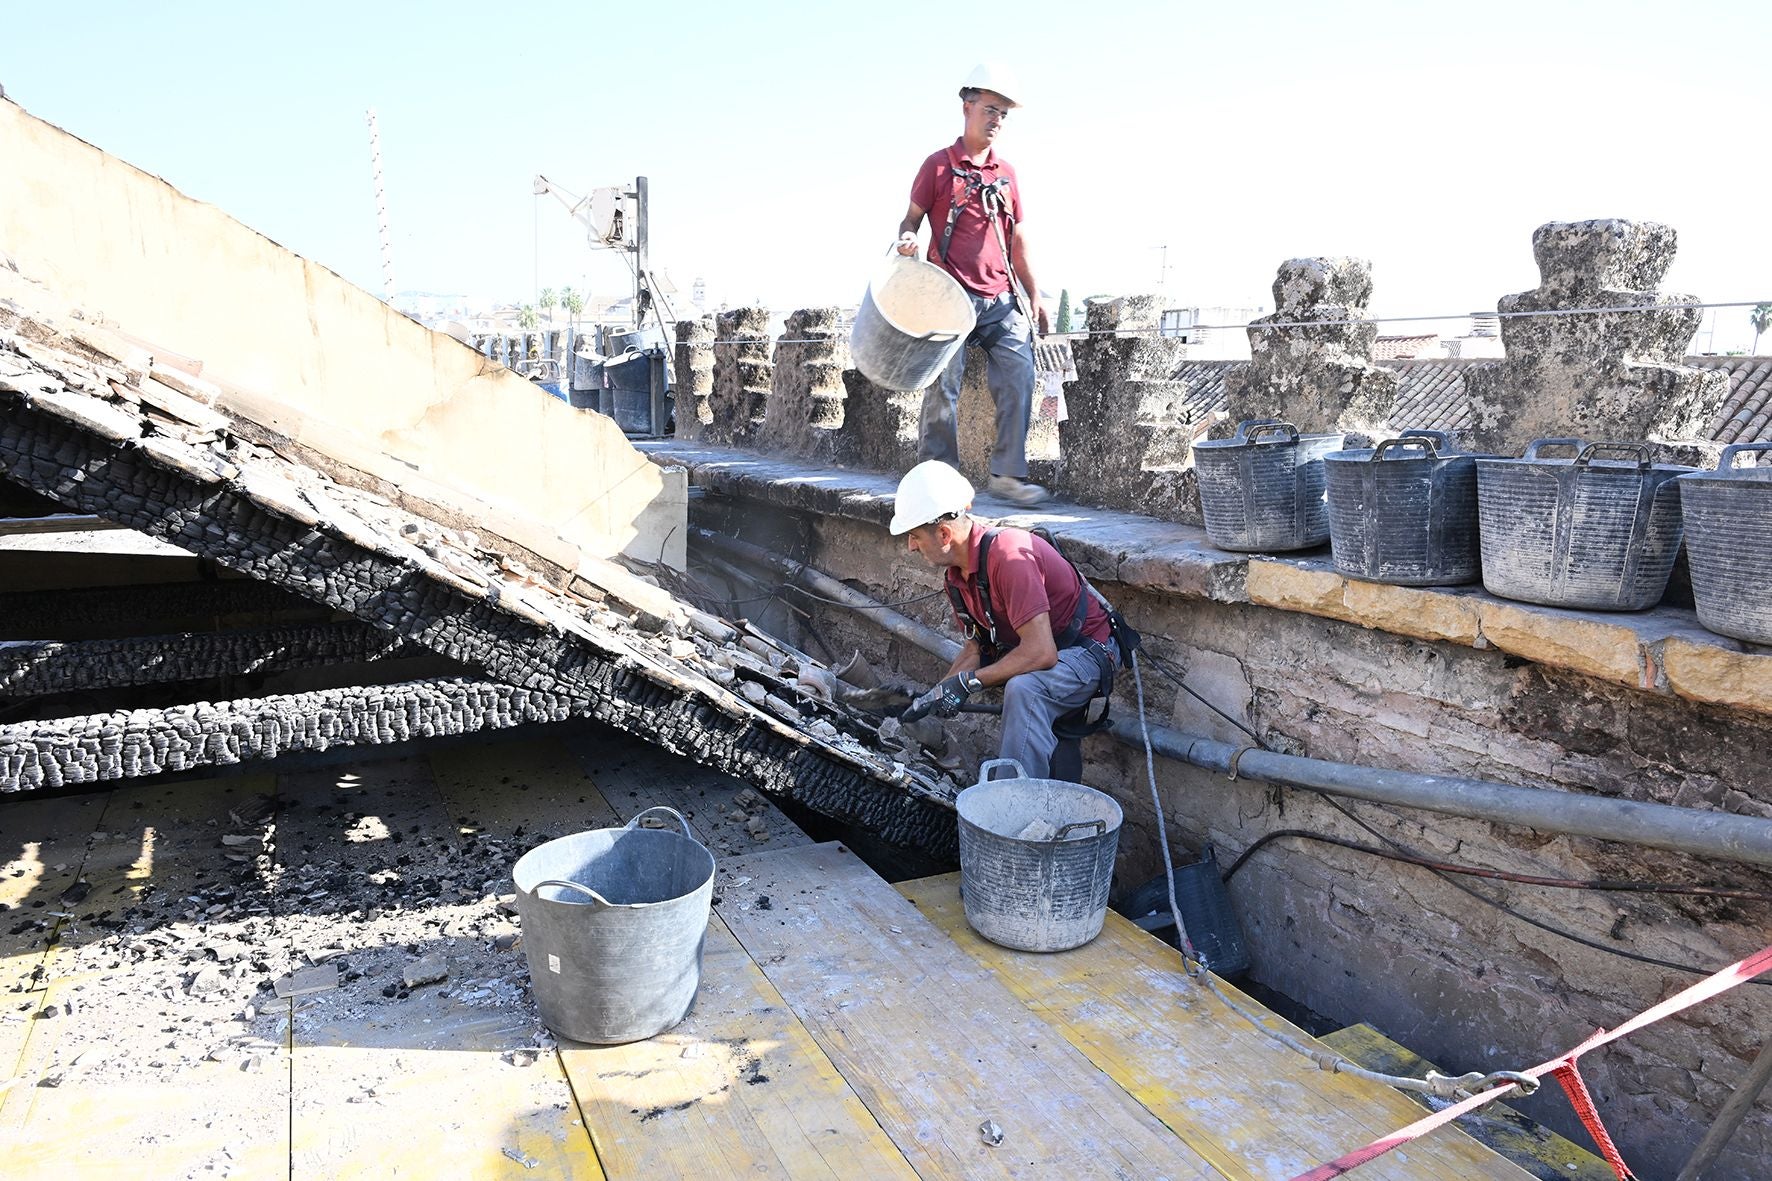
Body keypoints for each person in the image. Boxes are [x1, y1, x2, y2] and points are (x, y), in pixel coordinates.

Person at [892, 460, 1124, 781]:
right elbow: (976, 648)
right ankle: (1030, 801)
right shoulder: (957, 578)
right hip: (1052, 651)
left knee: (1025, 689)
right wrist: (936, 695)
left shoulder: (1008, 556)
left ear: (944, 533)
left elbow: (1041, 652)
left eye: (915, 536)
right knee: (1025, 690)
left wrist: (970, 682)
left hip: (1090, 651)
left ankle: (1008, 812)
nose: (911, 545)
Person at [895, 63, 1051, 508]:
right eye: (990, 109)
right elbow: (911, 218)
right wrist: (907, 237)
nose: (997, 119)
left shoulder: (1006, 173)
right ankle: (937, 477)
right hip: (948, 294)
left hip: (999, 299)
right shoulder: (938, 167)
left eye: (1004, 112)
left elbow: (1017, 239)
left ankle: (1007, 476)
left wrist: (1034, 294)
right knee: (943, 382)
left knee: (1020, 372)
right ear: (967, 107)